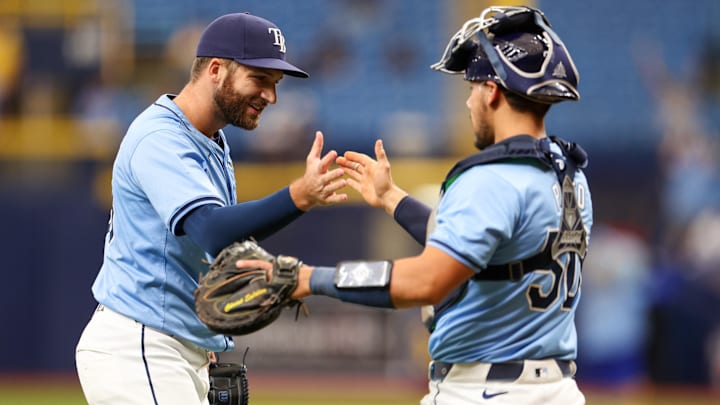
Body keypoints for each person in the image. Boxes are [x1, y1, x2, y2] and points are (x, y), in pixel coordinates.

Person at [238, 6, 592, 405]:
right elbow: (484, 246)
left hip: (486, 390)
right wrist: (392, 198)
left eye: (472, 88)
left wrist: (308, 278)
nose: (468, 102)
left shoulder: (490, 178)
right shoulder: (568, 174)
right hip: (555, 390)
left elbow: (427, 280)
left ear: (492, 91)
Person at [75, 12, 348, 405]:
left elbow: (214, 249)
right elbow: (213, 230)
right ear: (216, 69)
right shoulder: (160, 137)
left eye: (275, 84)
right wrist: (299, 196)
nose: (271, 96)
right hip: (140, 347)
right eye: (259, 79)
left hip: (174, 349)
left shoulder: (212, 142)